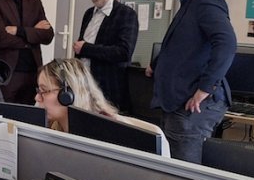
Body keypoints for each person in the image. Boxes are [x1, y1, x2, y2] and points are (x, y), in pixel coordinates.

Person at [146, 0, 236, 163]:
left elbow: (227, 43)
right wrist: (157, 64)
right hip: (178, 100)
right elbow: (184, 43)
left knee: (183, 172)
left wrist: (205, 88)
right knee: (171, 166)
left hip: (191, 104)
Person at [35, 59, 171, 156]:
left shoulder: (109, 136)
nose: (37, 98)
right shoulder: (55, 129)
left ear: (68, 95)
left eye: (44, 91)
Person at [74, 0, 139, 111]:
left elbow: (123, 52)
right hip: (84, 86)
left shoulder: (126, 14)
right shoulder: (88, 13)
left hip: (109, 90)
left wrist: (85, 48)